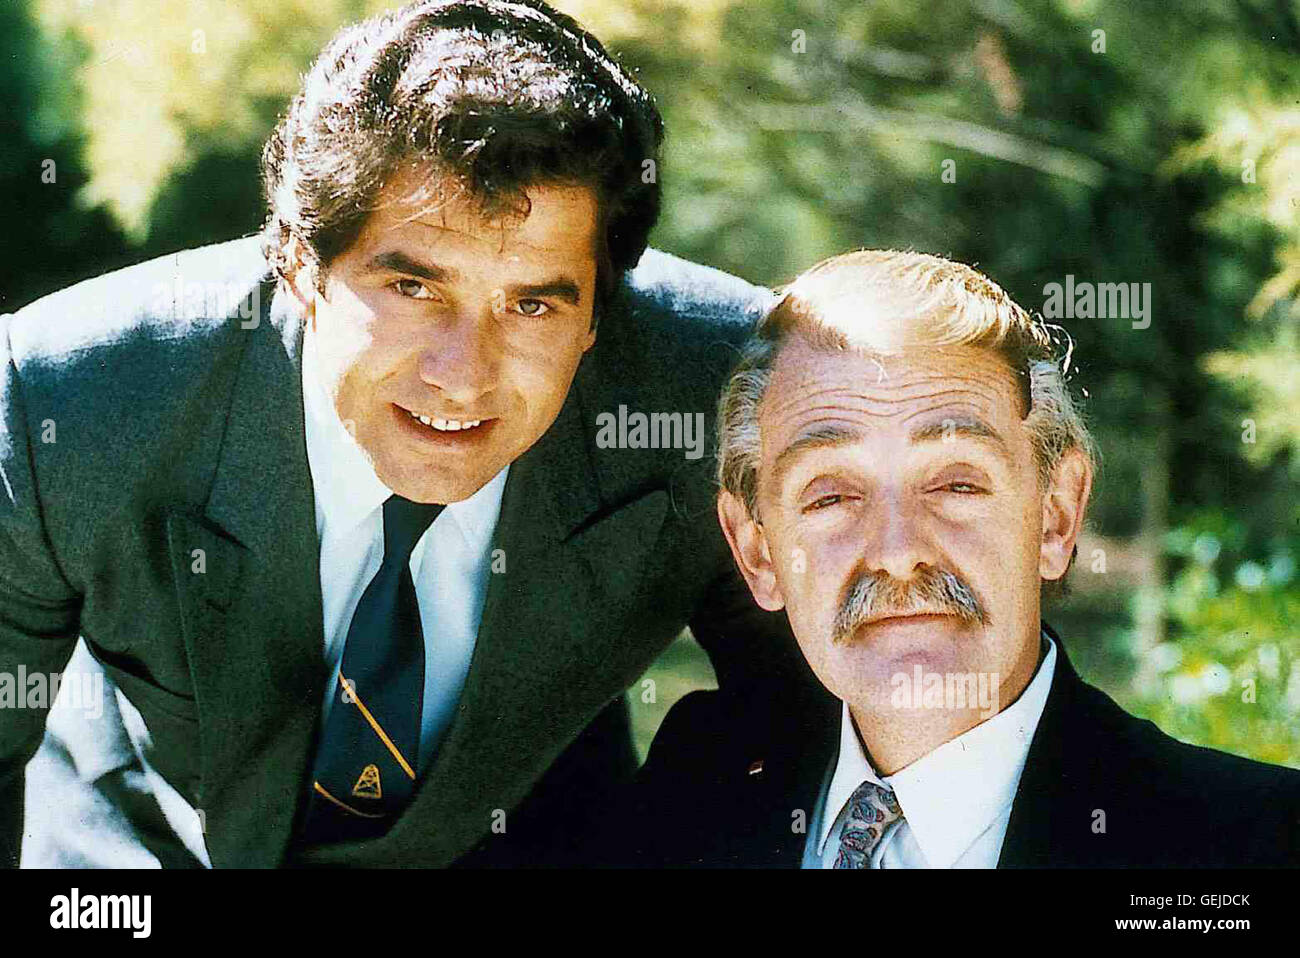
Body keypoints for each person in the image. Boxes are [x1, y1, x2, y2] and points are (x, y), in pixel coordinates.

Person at [0, 0, 811, 869]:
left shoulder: (727, 390)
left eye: (533, 303)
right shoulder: (69, 397)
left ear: (600, 316)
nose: (464, 376)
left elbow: (812, 726)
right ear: (299, 265)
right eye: (414, 289)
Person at [619, 249, 1300, 867]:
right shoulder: (690, 803)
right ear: (757, 552)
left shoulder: (1253, 844)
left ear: (1056, 516)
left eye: (956, 484)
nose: (896, 552)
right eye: (830, 495)